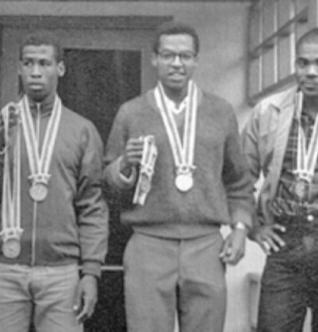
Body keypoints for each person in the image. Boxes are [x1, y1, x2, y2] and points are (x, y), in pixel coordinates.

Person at [104, 21, 254, 332]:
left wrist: (240, 228)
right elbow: (106, 182)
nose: (177, 63)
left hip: (206, 243)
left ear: (196, 60)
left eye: (185, 56)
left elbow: (239, 180)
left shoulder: (220, 111)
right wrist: (124, 167)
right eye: (169, 55)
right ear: (154, 59)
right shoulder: (131, 112)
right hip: (149, 241)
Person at [0, 30, 108, 332]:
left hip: (61, 272)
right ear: (18, 68)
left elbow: (92, 206)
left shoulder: (81, 130)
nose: (35, 72)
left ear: (60, 69)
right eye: (28, 63)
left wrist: (91, 271)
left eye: (44, 63)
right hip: (5, 267)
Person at [242, 27, 318, 332]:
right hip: (286, 238)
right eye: (302, 63)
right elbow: (238, 177)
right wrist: (253, 226)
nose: (310, 72)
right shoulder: (267, 112)